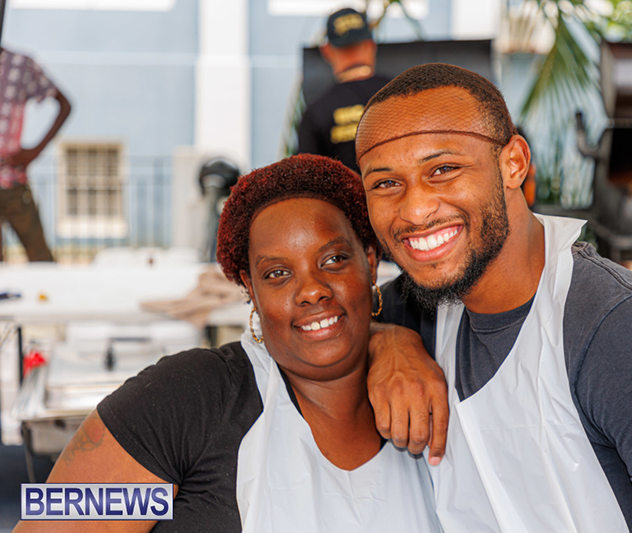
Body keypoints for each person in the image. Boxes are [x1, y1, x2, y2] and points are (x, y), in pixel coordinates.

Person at [357, 64, 632, 532]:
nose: (416, 209)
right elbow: (305, 326)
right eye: (385, 183)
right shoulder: (416, 303)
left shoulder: (626, 333)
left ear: (514, 163)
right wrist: (384, 341)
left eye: (443, 170)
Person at [14, 155, 441, 532]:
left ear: (369, 262)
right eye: (277, 273)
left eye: (332, 260)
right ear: (249, 291)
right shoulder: (187, 400)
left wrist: (394, 340)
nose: (312, 290)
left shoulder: (431, 388)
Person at [297, 8, 390, 173]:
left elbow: (306, 179)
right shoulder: (403, 93)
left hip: (347, 198)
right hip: (399, 195)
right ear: (371, 44)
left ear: (326, 50)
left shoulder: (316, 112)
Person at [0, 47, 71, 262]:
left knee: (41, 260)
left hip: (11, 180)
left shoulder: (20, 64)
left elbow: (64, 104)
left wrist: (34, 152)